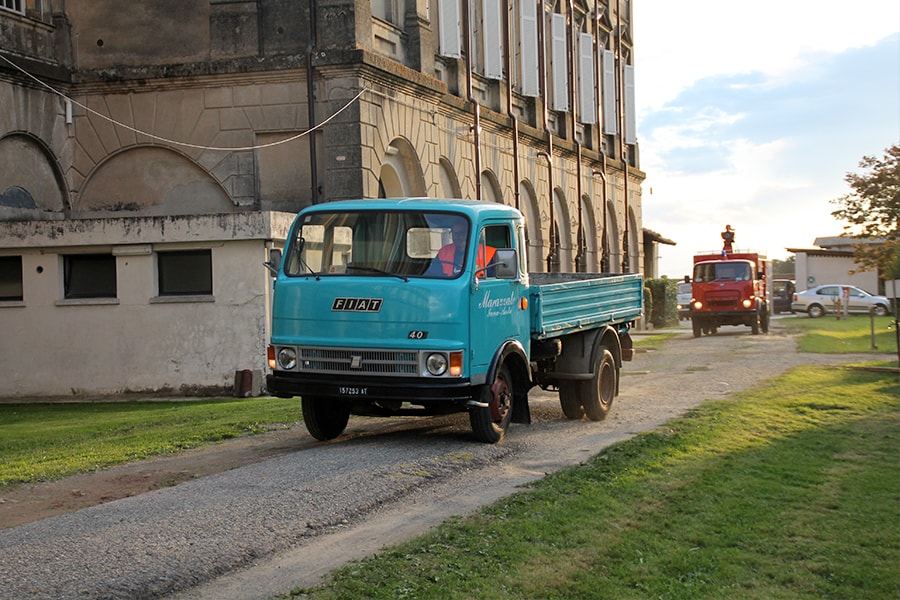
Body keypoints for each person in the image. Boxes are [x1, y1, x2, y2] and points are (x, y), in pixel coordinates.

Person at [428, 221, 495, 277]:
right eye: (455, 233)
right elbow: (433, 274)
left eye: (462, 233)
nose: (458, 237)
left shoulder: (487, 252)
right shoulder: (444, 252)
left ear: (470, 234)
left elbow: (494, 279)